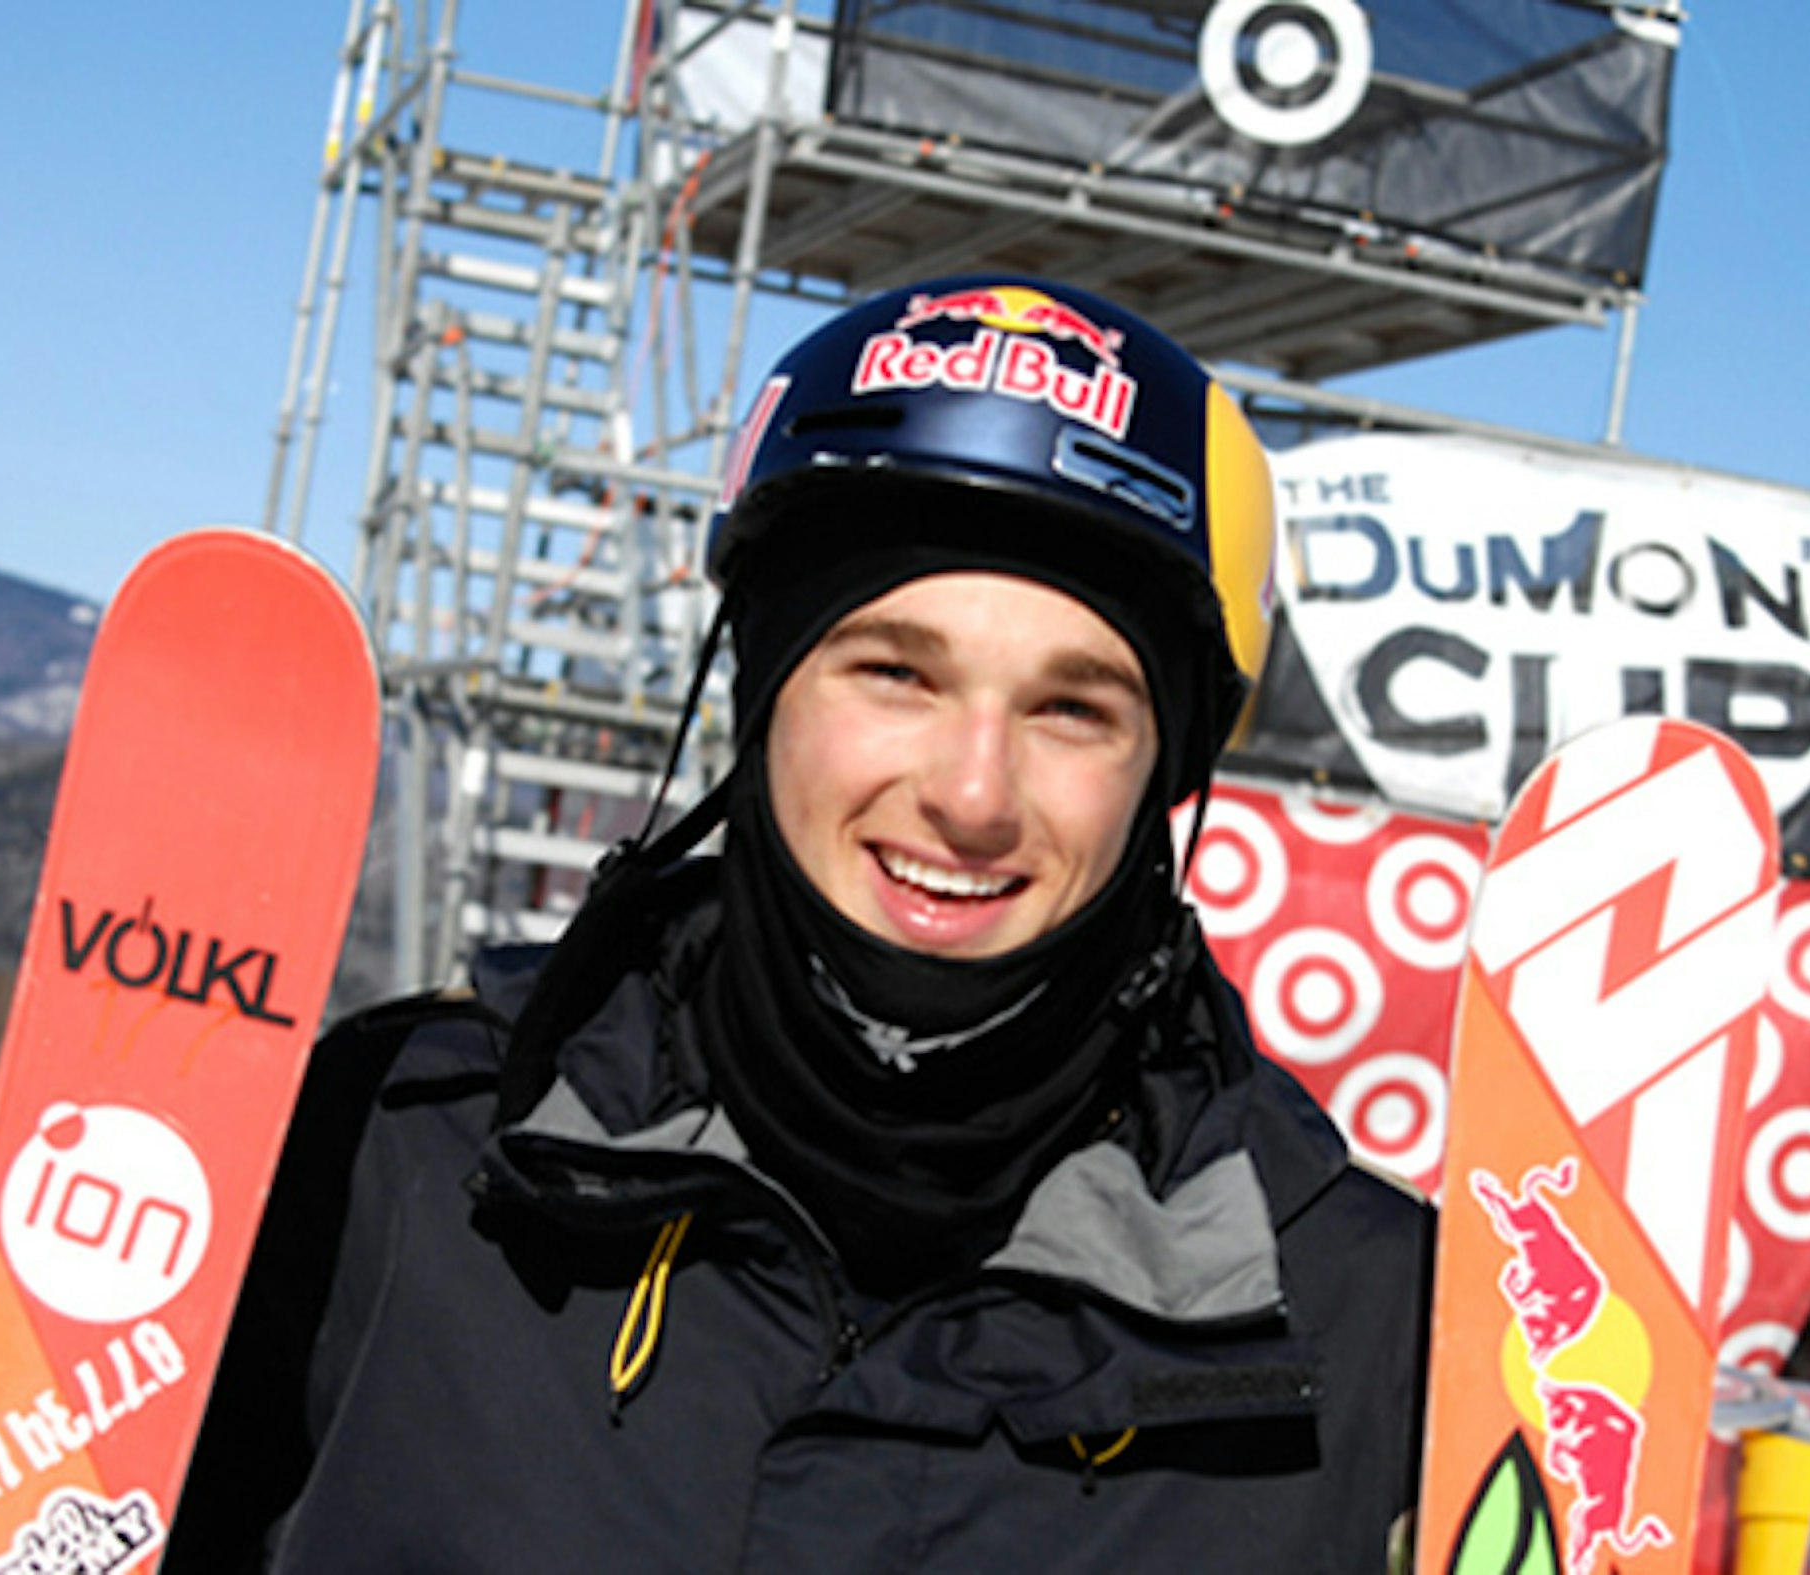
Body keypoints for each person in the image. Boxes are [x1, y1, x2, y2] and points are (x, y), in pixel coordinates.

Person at [166, 276, 1433, 1572]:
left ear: (1164, 772)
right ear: (762, 693)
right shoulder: (395, 1156)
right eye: (896, 671)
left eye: (1074, 709)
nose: (973, 794)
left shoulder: (1375, 1329)